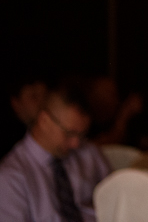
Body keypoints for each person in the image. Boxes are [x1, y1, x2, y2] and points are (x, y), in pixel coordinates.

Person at [0, 80, 110, 222]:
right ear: (44, 121)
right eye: (69, 133)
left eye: (81, 135)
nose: (75, 143)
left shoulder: (89, 154)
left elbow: (117, 198)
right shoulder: (11, 176)